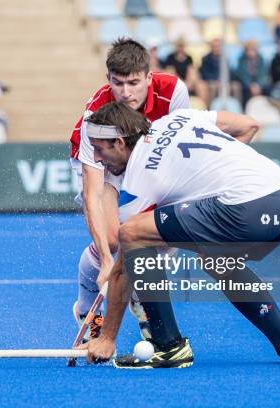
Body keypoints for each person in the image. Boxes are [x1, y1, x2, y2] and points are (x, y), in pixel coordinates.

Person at [78, 102, 280, 368]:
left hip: (246, 211)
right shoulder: (179, 117)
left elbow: (125, 266)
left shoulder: (137, 180)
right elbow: (248, 126)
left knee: (133, 232)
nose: (98, 159)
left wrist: (108, 337)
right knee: (216, 261)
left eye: (99, 150)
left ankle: (168, 346)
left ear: (120, 143)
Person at [69, 37, 190, 343]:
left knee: (154, 238)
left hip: (149, 161)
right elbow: (93, 193)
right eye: (117, 83)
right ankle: (87, 309)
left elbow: (175, 153)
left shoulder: (174, 92)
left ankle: (139, 294)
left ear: (149, 77)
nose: (125, 93)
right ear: (108, 79)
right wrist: (110, 264)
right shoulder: (94, 116)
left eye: (134, 83)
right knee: (112, 240)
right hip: (106, 164)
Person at [163, 38, 209, 105]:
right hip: (176, 82)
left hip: (188, 82)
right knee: (170, 71)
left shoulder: (189, 58)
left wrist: (188, 83)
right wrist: (182, 84)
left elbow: (191, 71)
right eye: (179, 46)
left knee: (202, 86)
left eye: (182, 46)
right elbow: (170, 72)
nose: (180, 48)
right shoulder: (170, 57)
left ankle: (205, 107)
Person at [199, 38, 241, 106]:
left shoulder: (225, 58)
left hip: (224, 81)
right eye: (215, 46)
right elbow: (205, 73)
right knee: (213, 87)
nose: (216, 48)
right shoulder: (205, 59)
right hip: (212, 82)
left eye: (218, 46)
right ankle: (210, 108)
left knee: (236, 86)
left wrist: (225, 80)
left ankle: (238, 108)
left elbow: (229, 72)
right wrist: (216, 80)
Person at [235, 40, 270, 106]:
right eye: (249, 50)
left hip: (259, 83)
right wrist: (250, 86)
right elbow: (242, 75)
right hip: (247, 84)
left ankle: (266, 107)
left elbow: (263, 74)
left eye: (253, 50)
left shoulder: (261, 60)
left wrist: (258, 85)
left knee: (267, 88)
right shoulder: (241, 60)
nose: (251, 52)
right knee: (243, 90)